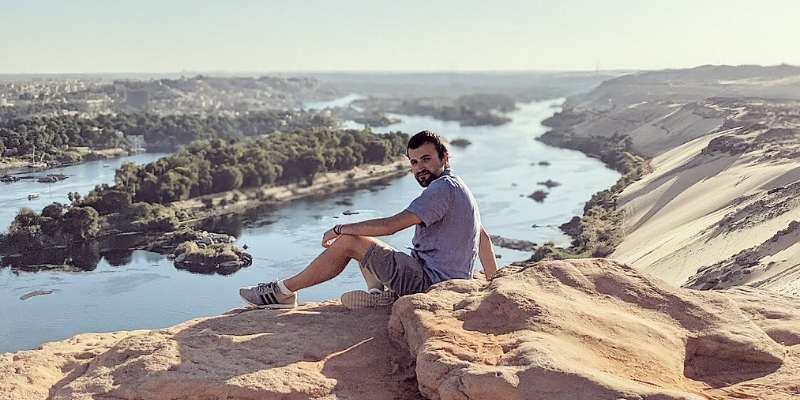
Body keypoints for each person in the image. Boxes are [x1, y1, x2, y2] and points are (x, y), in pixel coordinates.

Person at [239, 130, 498, 310]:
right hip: (444, 280)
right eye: (414, 162)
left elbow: (391, 226)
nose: (419, 167)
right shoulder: (458, 186)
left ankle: (282, 292)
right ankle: (379, 295)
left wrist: (339, 228)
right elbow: (482, 236)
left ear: (445, 158)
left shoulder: (440, 190)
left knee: (350, 242)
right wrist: (494, 282)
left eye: (426, 159)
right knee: (367, 243)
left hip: (429, 284)